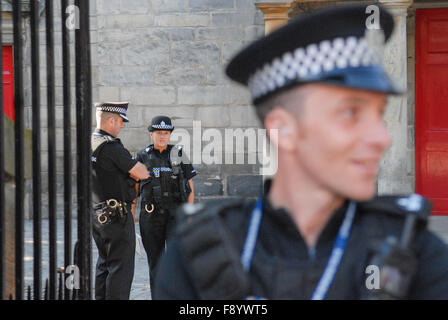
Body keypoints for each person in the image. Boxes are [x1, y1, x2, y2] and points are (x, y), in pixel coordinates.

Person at [153, 5, 448, 300]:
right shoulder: (197, 256)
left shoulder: (416, 253)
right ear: (283, 129)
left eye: (379, 114)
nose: (382, 137)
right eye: (351, 113)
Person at [91, 102, 149, 300]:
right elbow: (141, 173)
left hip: (97, 213)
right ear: (111, 120)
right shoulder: (111, 146)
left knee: (104, 265)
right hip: (116, 217)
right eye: (121, 122)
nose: (122, 126)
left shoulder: (90, 143)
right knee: (121, 269)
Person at [134, 115, 197, 295]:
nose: (163, 136)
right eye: (159, 133)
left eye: (166, 133)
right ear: (151, 134)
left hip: (176, 215)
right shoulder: (142, 156)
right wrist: (131, 216)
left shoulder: (178, 153)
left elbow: (190, 186)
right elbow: (135, 190)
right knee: (156, 262)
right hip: (151, 217)